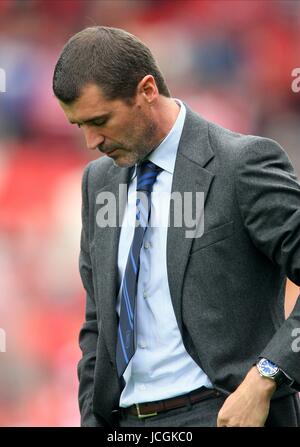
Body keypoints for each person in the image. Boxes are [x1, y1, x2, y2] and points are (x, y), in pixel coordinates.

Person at [53, 26, 300, 427]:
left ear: (147, 90)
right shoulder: (97, 183)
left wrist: (266, 376)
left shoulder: (241, 164)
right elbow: (98, 323)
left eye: (99, 120)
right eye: (78, 125)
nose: (90, 140)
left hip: (223, 413)